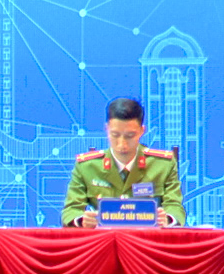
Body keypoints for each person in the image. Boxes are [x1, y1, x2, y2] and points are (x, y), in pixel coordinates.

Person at [63, 97, 185, 228]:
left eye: (130, 136)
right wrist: (82, 221)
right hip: (104, 237)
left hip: (146, 237)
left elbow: (175, 207)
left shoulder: (163, 165)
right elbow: (70, 210)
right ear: (106, 129)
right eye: (115, 135)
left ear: (142, 131)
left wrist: (167, 219)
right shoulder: (87, 166)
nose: (122, 144)